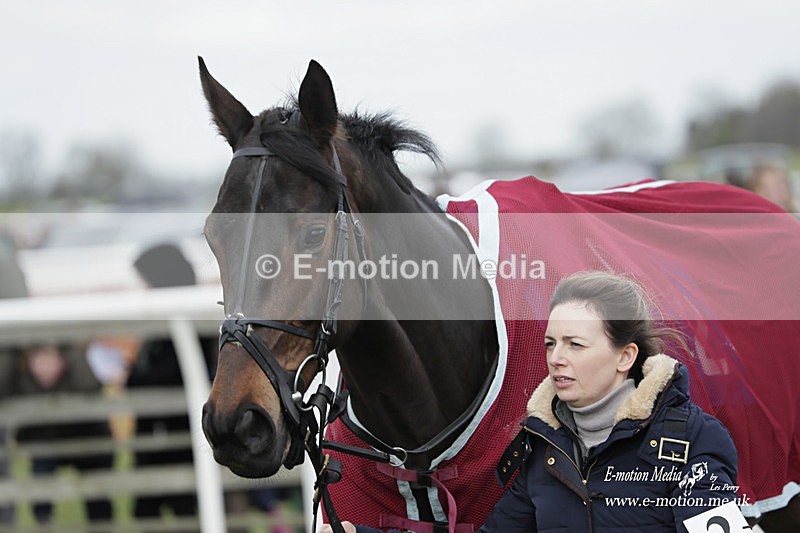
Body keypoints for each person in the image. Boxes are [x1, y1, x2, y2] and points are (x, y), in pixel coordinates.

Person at [324, 271, 739, 533]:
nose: (557, 358)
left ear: (625, 357)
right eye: (551, 343)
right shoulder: (542, 451)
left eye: (576, 344)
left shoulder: (694, 440)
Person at [124, 242, 218, 520]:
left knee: (187, 510)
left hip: (181, 437)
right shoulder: (162, 326)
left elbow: (169, 375)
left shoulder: (191, 322)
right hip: (158, 437)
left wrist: (134, 378)